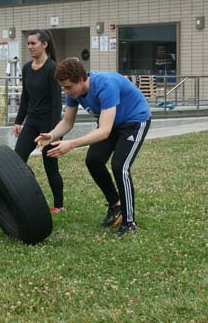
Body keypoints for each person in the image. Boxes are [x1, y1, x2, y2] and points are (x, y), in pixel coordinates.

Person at [36, 59, 151, 237]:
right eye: (63, 88)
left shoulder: (106, 85)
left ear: (81, 79)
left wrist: (71, 144)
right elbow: (67, 122)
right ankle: (116, 205)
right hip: (112, 124)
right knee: (93, 161)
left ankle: (129, 223)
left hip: (134, 120)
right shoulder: (74, 93)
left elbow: (104, 131)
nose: (66, 92)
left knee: (120, 167)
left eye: (68, 87)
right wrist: (51, 135)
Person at [13, 30, 65, 214]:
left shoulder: (52, 68)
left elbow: (56, 102)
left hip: (48, 125)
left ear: (45, 45)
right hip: (31, 122)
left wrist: (53, 132)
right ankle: (29, 190)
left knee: (50, 167)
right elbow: (25, 97)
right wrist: (19, 121)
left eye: (33, 43)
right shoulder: (26, 68)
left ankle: (59, 205)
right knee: (17, 161)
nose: (30, 47)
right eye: (28, 43)